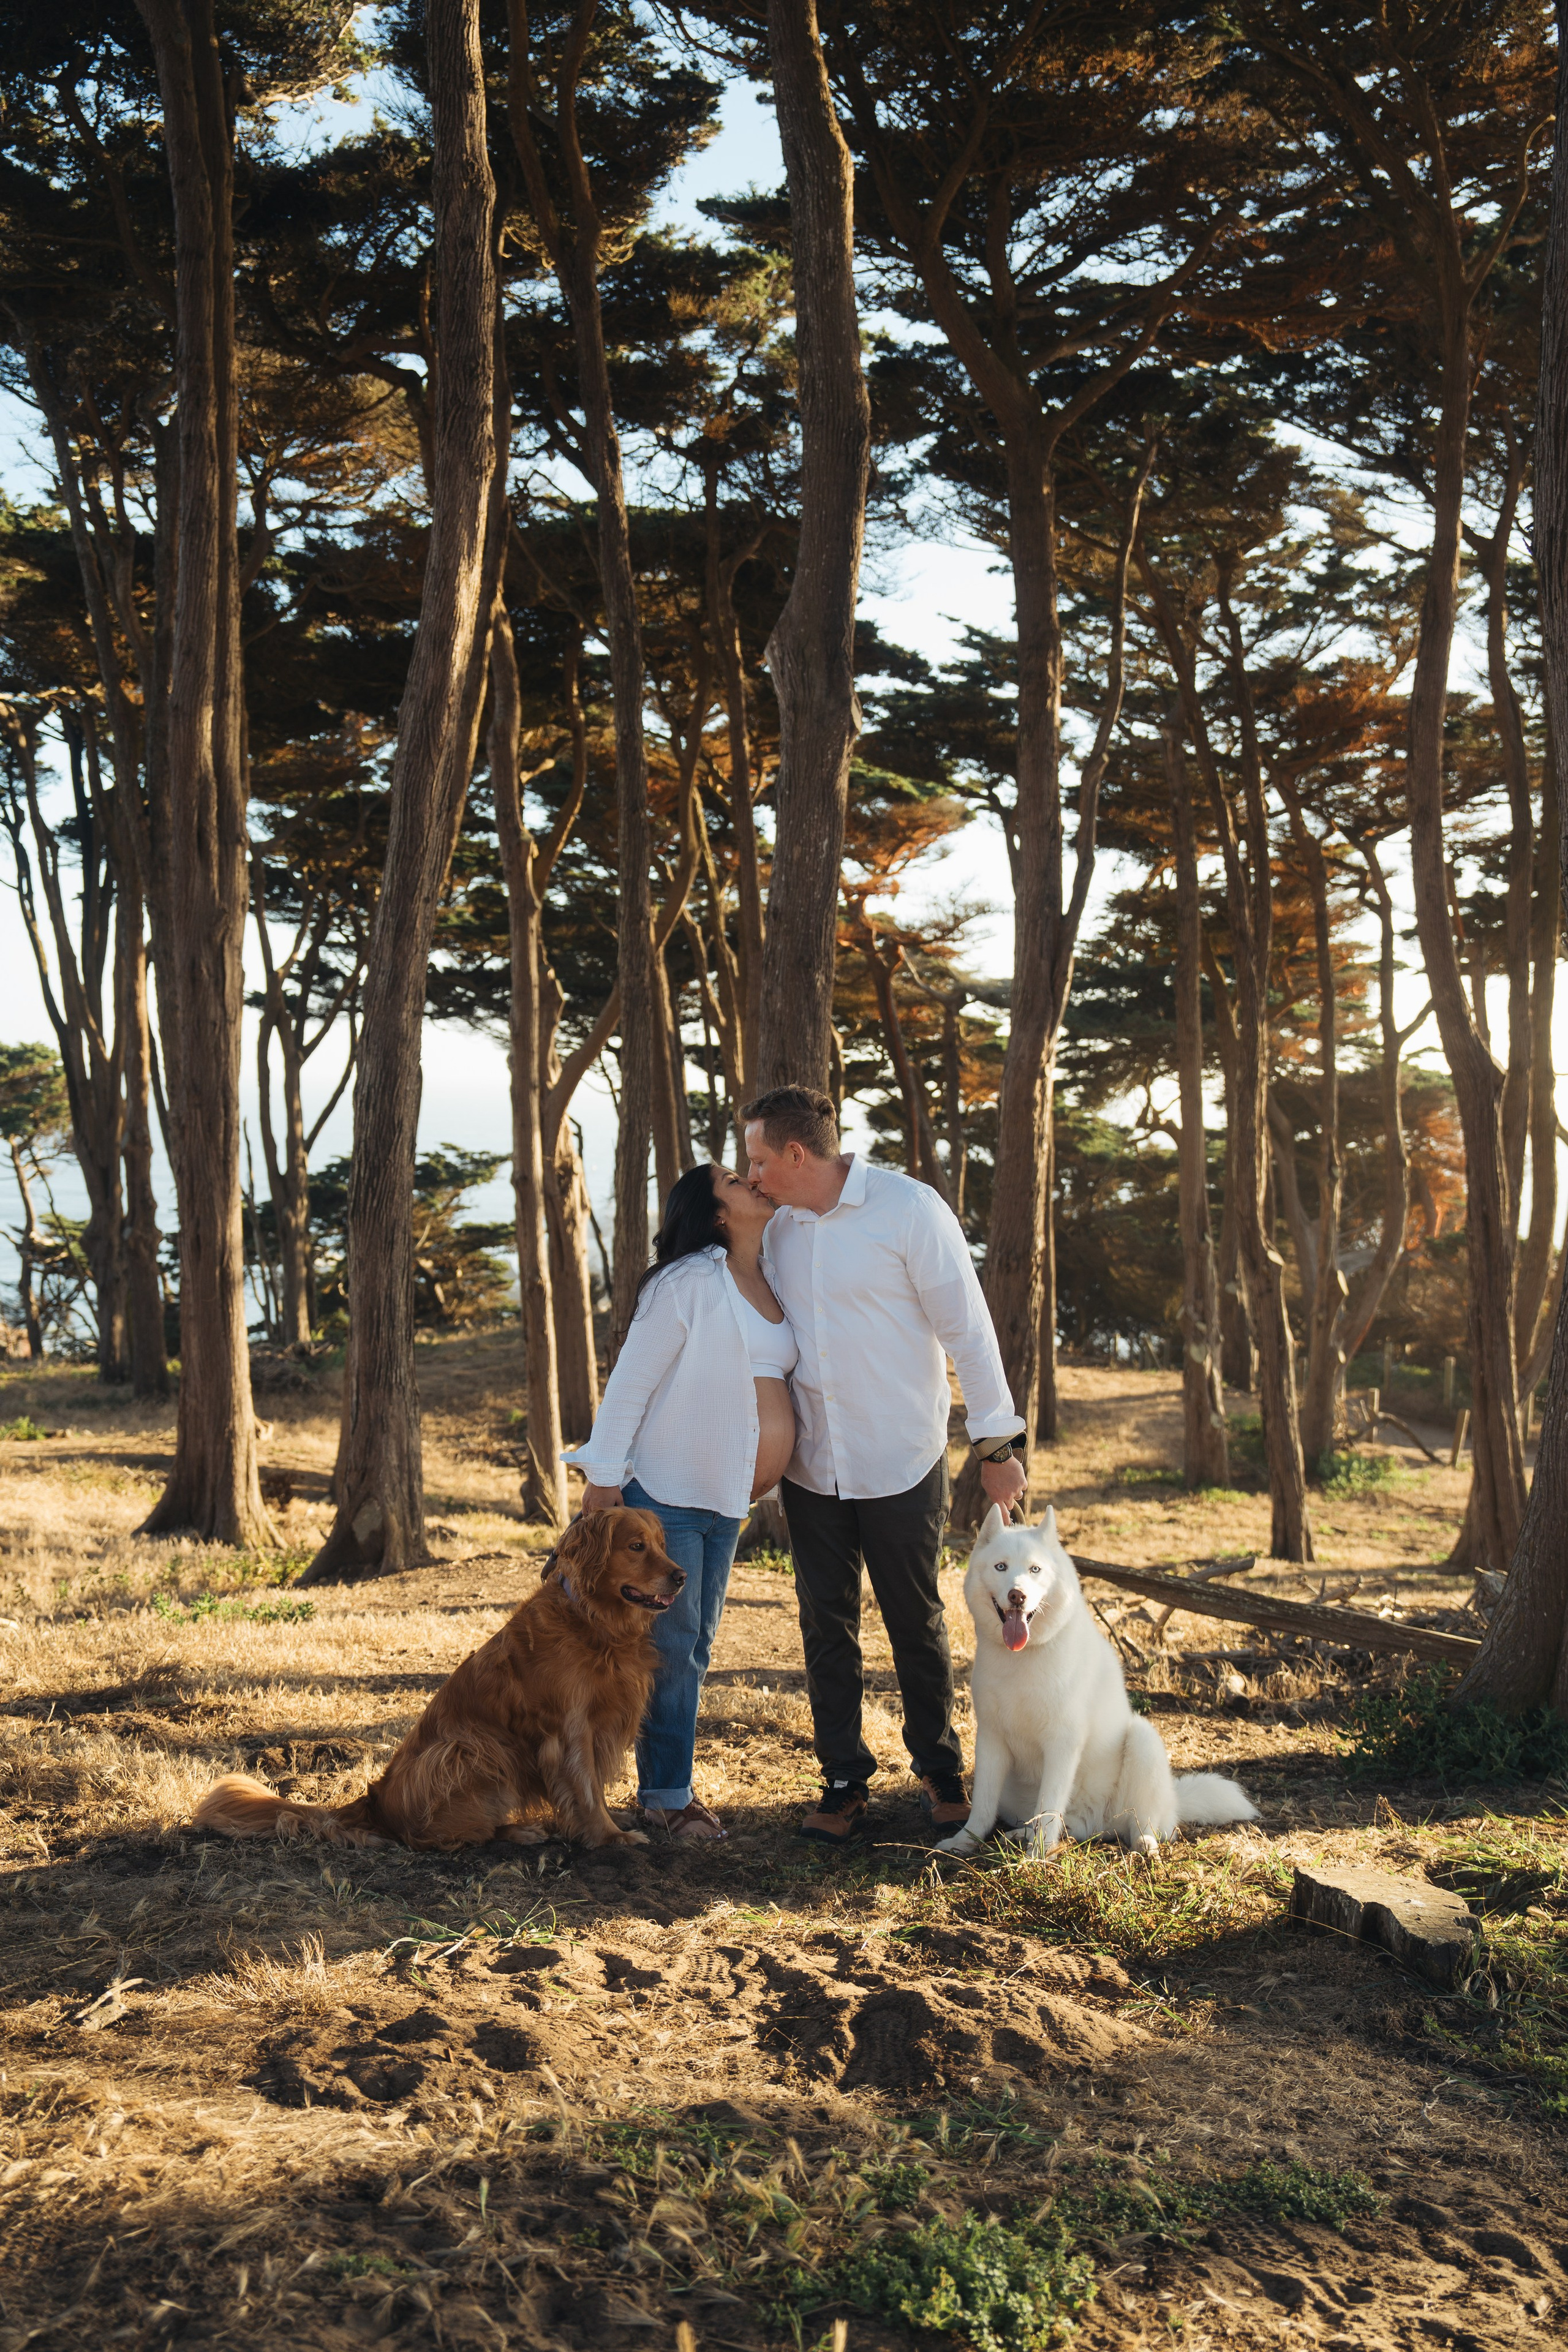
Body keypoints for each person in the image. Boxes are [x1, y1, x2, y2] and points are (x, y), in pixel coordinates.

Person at [742, 1084, 1027, 1845]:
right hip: (812, 1464)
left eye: (759, 1159)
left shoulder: (910, 1210)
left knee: (915, 1620)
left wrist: (997, 1449)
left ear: (797, 1154)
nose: (752, 1175)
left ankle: (940, 1772)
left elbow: (969, 1333)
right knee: (823, 1624)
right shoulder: (778, 1231)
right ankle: (842, 1781)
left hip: (902, 1454)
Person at [570, 1163, 797, 1841]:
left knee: (690, 1645)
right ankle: (666, 1798)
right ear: (715, 1213)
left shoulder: (772, 1274)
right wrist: (603, 1478)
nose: (753, 1182)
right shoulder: (690, 1280)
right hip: (666, 1494)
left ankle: (660, 1788)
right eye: (734, 1180)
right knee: (672, 1650)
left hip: (726, 1499)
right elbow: (632, 1382)